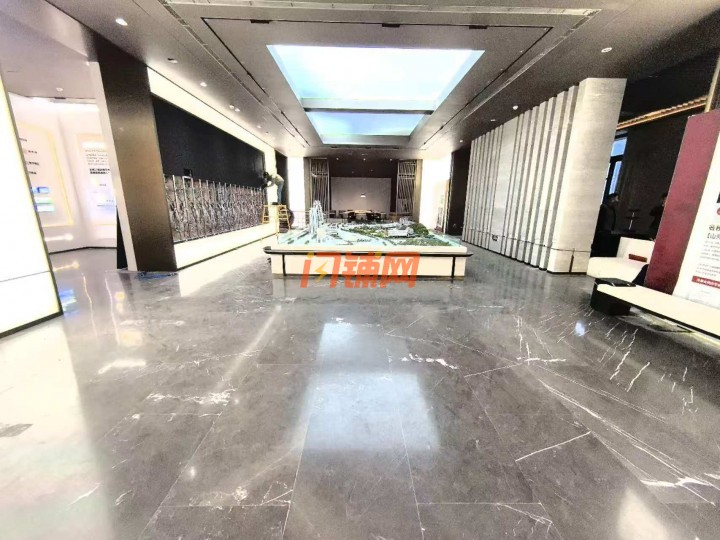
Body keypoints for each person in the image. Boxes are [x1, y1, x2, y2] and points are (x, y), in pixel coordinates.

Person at [591, 193, 620, 257]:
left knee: (605, 246)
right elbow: (600, 218)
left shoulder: (612, 208)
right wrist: (599, 229)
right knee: (600, 246)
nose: (617, 200)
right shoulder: (604, 207)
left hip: (608, 230)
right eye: (616, 198)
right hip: (602, 230)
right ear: (612, 198)